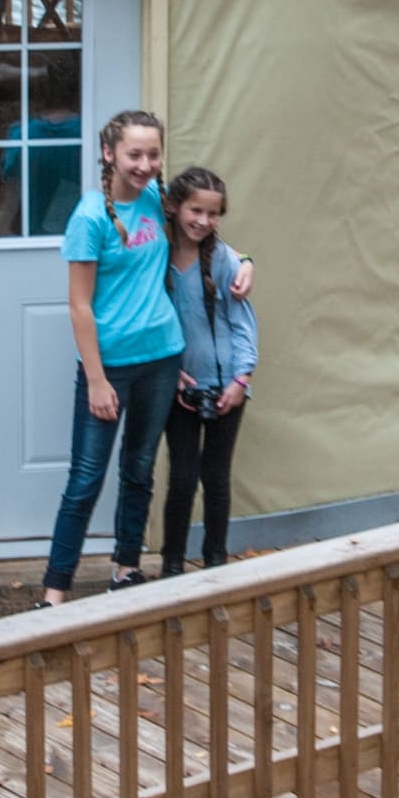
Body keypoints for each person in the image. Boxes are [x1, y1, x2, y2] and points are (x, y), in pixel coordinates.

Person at [43, 110, 181, 604]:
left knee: (140, 467)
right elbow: (79, 305)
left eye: (153, 154)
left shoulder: (157, 201)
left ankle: (126, 568)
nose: (145, 164)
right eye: (134, 154)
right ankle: (55, 590)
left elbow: (205, 238)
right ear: (109, 154)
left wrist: (244, 262)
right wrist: (98, 381)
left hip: (163, 357)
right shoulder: (90, 217)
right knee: (85, 478)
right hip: (111, 367)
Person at [157, 167, 258, 578]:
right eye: (195, 210)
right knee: (182, 478)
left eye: (212, 213)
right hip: (178, 388)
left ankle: (216, 560)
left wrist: (241, 379)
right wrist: (170, 372)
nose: (202, 220)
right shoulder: (156, 256)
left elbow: (243, 324)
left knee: (216, 477)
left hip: (226, 388)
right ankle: (172, 563)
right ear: (176, 207)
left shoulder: (225, 261)